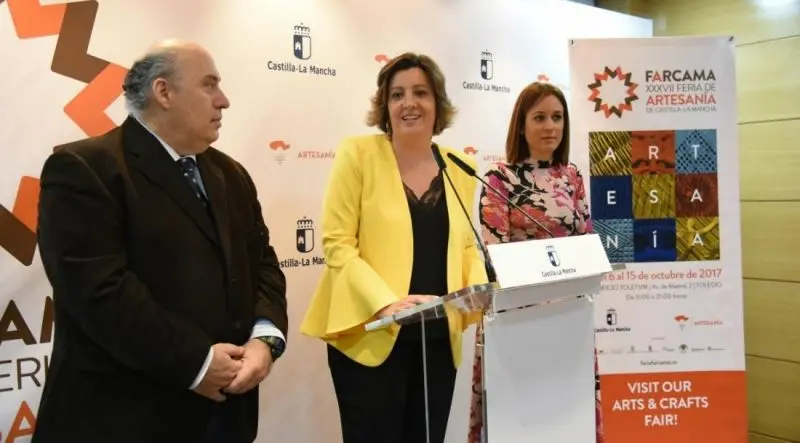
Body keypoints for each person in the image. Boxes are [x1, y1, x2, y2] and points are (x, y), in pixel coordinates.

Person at [32, 39, 288, 443]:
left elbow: (264, 265)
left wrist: (265, 339)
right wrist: (198, 363)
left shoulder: (231, 174)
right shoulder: (84, 169)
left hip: (225, 420)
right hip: (123, 421)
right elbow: (100, 294)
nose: (223, 101)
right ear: (164, 92)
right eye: (209, 85)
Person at [300, 52, 488, 443]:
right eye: (397, 94)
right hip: (371, 334)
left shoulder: (460, 165)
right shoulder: (358, 154)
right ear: (385, 106)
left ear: (438, 102)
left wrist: (477, 288)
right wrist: (386, 303)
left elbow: (467, 244)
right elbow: (338, 245)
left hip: (437, 338)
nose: (409, 103)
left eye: (420, 92)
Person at [465, 81, 602, 443]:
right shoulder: (500, 178)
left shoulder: (571, 176)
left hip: (569, 319)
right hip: (518, 320)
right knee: (521, 423)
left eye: (557, 117)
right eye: (539, 117)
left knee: (569, 421)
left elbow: (586, 242)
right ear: (521, 125)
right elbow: (496, 254)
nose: (550, 126)